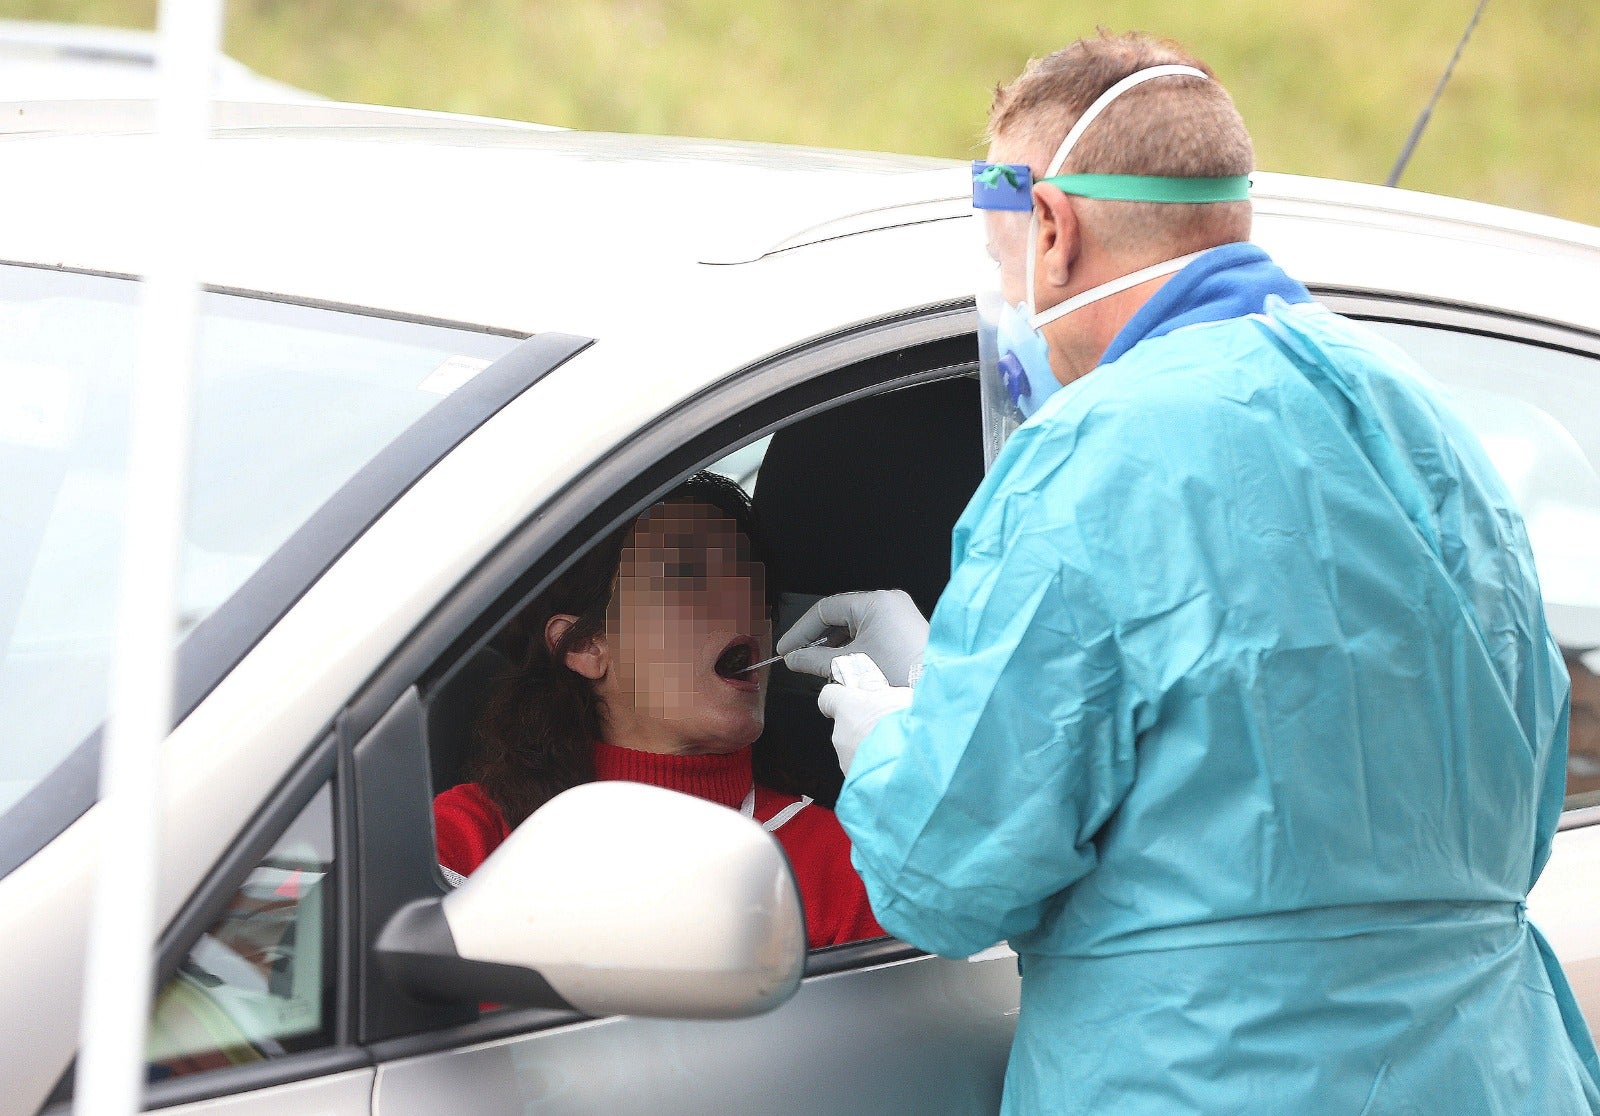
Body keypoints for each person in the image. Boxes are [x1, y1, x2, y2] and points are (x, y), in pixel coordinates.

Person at [777, 31, 1600, 1115]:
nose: (1007, 301)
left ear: (1054, 229)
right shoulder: (1426, 424)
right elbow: (1520, 789)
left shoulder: (1090, 455)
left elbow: (945, 873)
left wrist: (890, 747)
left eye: (999, 260)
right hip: (1495, 1075)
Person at [434, 471, 882, 951]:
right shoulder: (470, 841)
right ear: (586, 646)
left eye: (753, 583)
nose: (744, 605)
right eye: (687, 578)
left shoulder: (841, 865)